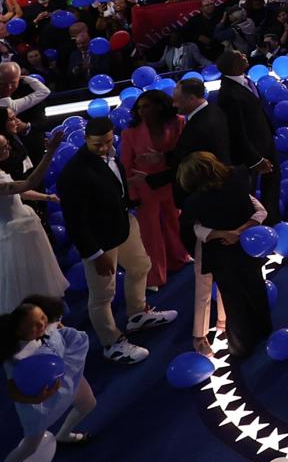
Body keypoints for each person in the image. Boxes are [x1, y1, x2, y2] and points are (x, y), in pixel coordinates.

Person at [57, 117, 176, 363]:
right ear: (86, 140)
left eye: (108, 142)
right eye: (97, 144)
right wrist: (94, 254)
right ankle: (111, 343)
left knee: (141, 266)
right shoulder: (74, 174)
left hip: (123, 225)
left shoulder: (112, 155)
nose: (104, 148)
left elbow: (115, 187)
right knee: (102, 295)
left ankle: (137, 313)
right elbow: (76, 221)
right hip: (100, 240)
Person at [0, 295, 95, 462]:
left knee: (88, 404)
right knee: (29, 447)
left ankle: (62, 435)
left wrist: (55, 327)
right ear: (19, 332)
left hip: (66, 377)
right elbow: (14, 391)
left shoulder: (48, 329)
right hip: (38, 403)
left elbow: (54, 327)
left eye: (42, 318)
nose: (41, 324)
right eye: (34, 325)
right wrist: (37, 398)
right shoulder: (16, 358)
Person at [0, 132, 69, 332]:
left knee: (35, 276)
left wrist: (47, 197)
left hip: (23, 232)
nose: (9, 149)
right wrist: (50, 152)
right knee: (22, 284)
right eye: (3, 147)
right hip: (14, 238)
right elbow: (27, 183)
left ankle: (43, 318)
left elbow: (18, 192)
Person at [178, 151, 271, 360]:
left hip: (221, 255)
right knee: (256, 286)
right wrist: (240, 231)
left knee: (233, 301)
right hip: (249, 246)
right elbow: (256, 208)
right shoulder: (239, 176)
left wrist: (218, 235)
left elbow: (191, 230)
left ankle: (240, 347)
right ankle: (264, 329)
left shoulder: (195, 201)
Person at [120, 89, 190, 285]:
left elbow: (184, 153)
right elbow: (126, 165)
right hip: (144, 187)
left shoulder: (178, 122)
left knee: (174, 222)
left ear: (160, 106)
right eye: (139, 107)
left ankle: (179, 258)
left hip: (170, 182)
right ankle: (155, 276)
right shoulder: (130, 133)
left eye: (147, 106)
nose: (142, 111)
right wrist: (132, 193)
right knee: (150, 233)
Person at [214, 49, 280, 222]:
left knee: (272, 182)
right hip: (250, 152)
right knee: (248, 189)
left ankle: (272, 219)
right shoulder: (228, 94)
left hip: (265, 141)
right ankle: (250, 224)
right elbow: (236, 131)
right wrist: (255, 159)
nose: (245, 56)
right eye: (240, 56)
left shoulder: (246, 80)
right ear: (233, 65)